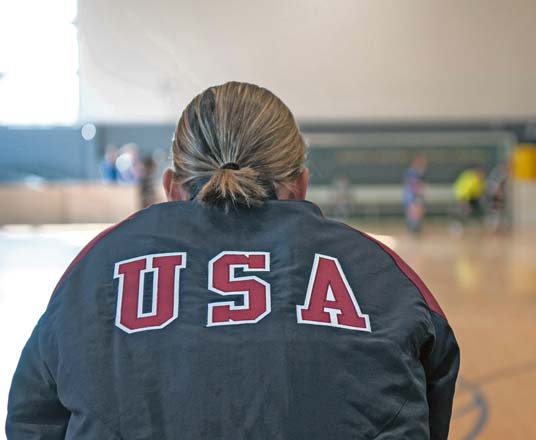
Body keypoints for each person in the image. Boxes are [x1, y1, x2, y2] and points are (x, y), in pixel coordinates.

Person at [6, 82, 459, 440]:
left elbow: (32, 417)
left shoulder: (94, 269)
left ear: (172, 186)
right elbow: (432, 395)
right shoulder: (382, 273)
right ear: (300, 185)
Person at [403, 154, 428, 234]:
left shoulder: (420, 172)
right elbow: (413, 184)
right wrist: (417, 194)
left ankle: (415, 228)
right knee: (414, 211)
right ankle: (413, 228)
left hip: (415, 195)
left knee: (417, 211)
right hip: (413, 195)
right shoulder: (413, 172)